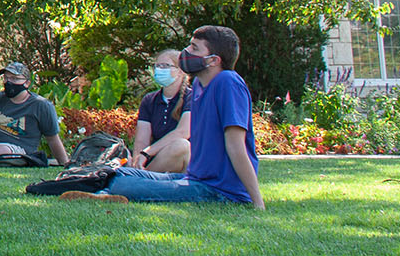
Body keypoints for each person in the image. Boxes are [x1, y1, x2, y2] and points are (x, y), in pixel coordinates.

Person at [74, 25, 264, 208]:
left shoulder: (228, 82)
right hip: (195, 179)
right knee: (120, 174)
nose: (186, 52)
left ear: (213, 60)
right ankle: (106, 193)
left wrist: (256, 201)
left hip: (219, 191)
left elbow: (236, 146)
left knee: (123, 184)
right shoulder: (198, 85)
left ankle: (109, 193)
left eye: (194, 48)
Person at [129, 49, 191, 171]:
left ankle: (142, 180)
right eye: (157, 66)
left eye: (166, 66)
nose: (160, 69)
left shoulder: (192, 98)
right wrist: (137, 160)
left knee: (181, 145)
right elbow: (142, 140)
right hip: (155, 162)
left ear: (180, 71)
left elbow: (183, 132)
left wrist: (147, 153)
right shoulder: (149, 100)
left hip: (184, 162)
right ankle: (140, 176)